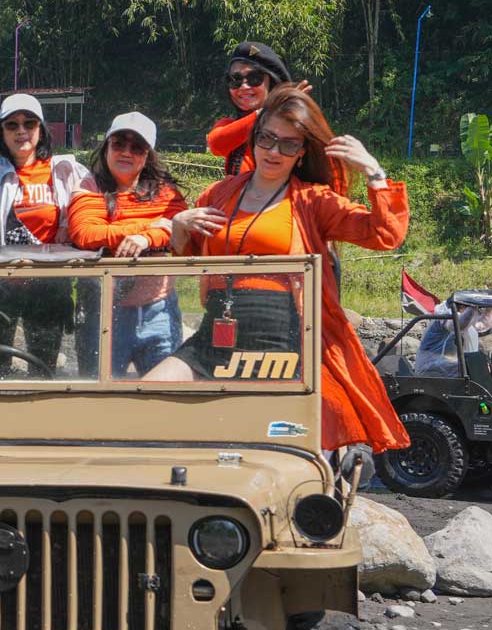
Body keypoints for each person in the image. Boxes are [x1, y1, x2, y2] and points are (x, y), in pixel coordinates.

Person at [147, 86, 410, 454]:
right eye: (267, 139)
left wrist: (374, 172)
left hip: (281, 345)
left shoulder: (312, 201)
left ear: (302, 152)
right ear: (254, 139)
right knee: (147, 397)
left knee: (266, 446)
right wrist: (179, 227)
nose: (274, 151)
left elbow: (384, 234)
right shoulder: (219, 193)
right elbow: (191, 256)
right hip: (216, 334)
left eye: (288, 144)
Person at [0, 93, 93, 375]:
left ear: (41, 128)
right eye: (12, 125)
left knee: (44, 366)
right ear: (2, 132)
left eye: (29, 123)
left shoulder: (67, 171)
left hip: (51, 286)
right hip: (0, 285)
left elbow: (94, 210)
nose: (21, 131)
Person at [68, 112, 189, 375]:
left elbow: (181, 231)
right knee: (98, 399)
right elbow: (85, 233)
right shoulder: (90, 186)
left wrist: (146, 238)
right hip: (103, 311)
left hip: (160, 309)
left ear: (148, 155)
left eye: (137, 147)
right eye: (119, 143)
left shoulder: (166, 191)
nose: (126, 152)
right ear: (106, 147)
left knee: (164, 397)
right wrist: (147, 227)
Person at [207, 42, 309, 176]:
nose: (244, 87)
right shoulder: (229, 125)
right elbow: (217, 144)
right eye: (235, 80)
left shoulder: (296, 125)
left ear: (272, 83)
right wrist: (268, 111)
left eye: (254, 79)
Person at [415, 299, 492, 377]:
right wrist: (473, 307)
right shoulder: (445, 316)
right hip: (431, 368)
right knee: (473, 369)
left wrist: (489, 310)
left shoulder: (465, 322)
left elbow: (481, 326)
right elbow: (458, 324)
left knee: (477, 368)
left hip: (445, 365)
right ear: (461, 307)